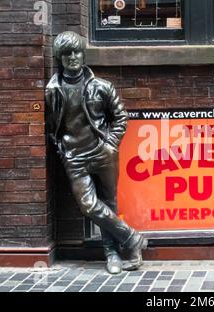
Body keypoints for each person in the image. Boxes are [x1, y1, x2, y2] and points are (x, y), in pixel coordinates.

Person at [45, 31, 147, 274]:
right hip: (75, 158)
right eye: (66, 54)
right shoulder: (52, 90)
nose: (72, 57)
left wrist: (110, 144)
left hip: (103, 153)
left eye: (76, 51)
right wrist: (63, 149)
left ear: (83, 54)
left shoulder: (102, 86)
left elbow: (121, 117)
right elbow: (50, 127)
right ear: (59, 58)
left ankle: (114, 255)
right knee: (89, 206)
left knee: (108, 205)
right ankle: (132, 238)